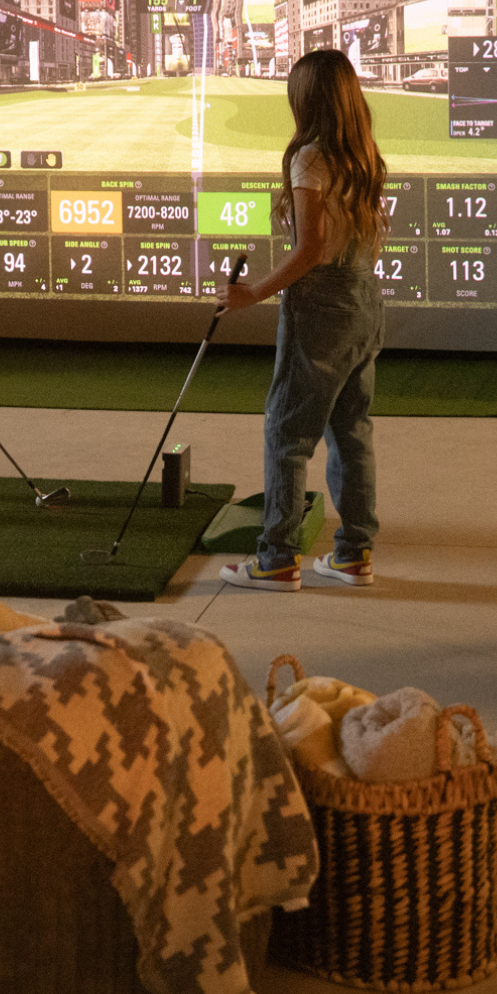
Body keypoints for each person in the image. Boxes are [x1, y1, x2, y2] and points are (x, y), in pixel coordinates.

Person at [217, 49, 388, 589]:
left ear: (308, 100)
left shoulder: (310, 157)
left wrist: (253, 293)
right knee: (351, 431)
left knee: (286, 431)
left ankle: (277, 560)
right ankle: (354, 555)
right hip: (364, 297)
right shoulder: (364, 155)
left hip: (322, 304)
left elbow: (310, 248)